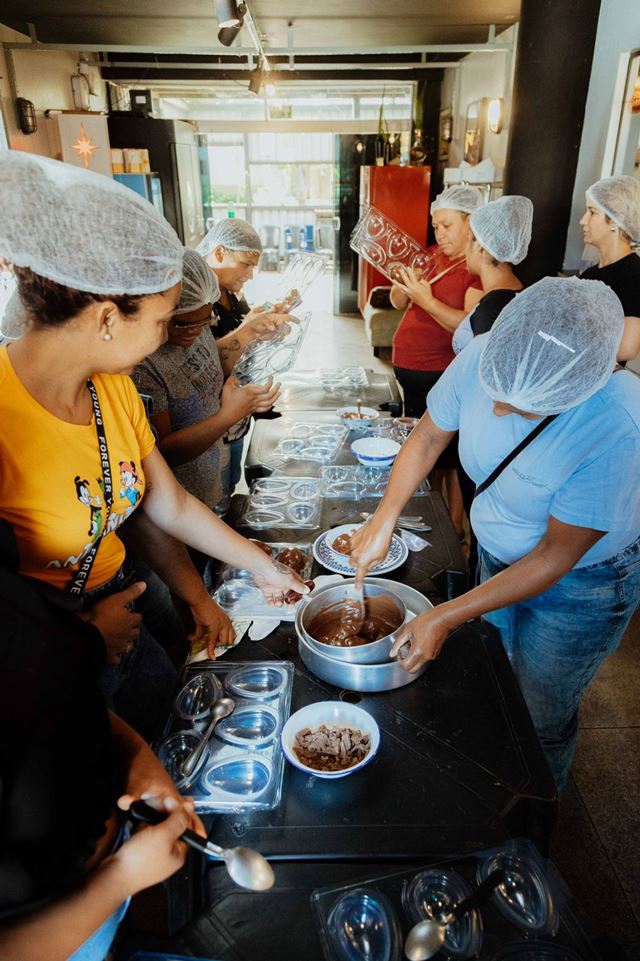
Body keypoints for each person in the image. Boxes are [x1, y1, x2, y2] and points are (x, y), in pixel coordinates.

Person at [0, 152, 307, 737]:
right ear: (109, 317)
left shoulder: (109, 391)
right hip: (50, 661)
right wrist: (87, 635)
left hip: (125, 611)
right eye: (166, 320)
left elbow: (168, 506)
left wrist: (261, 569)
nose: (171, 337)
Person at [350, 277, 640, 792]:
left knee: (539, 715)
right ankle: (489, 779)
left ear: (578, 388)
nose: (499, 411)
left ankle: (530, 820)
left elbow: (555, 555)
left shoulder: (618, 422)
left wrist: (444, 614)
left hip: (585, 586)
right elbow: (429, 434)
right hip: (499, 550)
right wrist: (383, 517)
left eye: (523, 407)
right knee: (493, 672)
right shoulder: (486, 353)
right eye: (495, 394)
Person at [0, 518, 206, 961]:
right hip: (68, 930)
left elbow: (49, 684)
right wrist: (119, 879)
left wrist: (137, 757)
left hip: (114, 859)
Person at [132, 249, 282, 523]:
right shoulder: (142, 365)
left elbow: (210, 364)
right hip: (174, 508)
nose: (196, 331)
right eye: (183, 324)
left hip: (210, 477)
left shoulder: (197, 321)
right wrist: (228, 414)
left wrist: (251, 332)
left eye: (205, 321)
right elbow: (161, 451)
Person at [390, 185, 485, 534]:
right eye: (436, 226)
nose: (438, 234)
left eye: (447, 226)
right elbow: (399, 303)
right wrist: (403, 288)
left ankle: (454, 530)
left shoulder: (475, 268)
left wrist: (426, 300)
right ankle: (427, 517)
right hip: (412, 373)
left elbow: (466, 325)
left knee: (450, 456)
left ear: (470, 222)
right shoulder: (430, 256)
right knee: (426, 454)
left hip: (441, 373)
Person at [197, 218, 284, 508]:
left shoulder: (229, 291)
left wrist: (267, 326)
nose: (250, 274)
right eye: (246, 264)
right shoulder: (196, 296)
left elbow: (245, 331)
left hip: (235, 419)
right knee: (213, 499)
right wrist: (250, 329)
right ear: (220, 252)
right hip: (210, 422)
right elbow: (204, 363)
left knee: (229, 487)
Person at [452, 194, 532, 354]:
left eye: (469, 240)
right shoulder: (521, 293)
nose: (466, 249)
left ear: (481, 248)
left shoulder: (490, 310)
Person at [579, 175, 640, 362]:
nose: (583, 220)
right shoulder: (589, 275)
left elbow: (626, 348)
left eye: (592, 212)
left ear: (615, 220)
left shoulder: (635, 276)